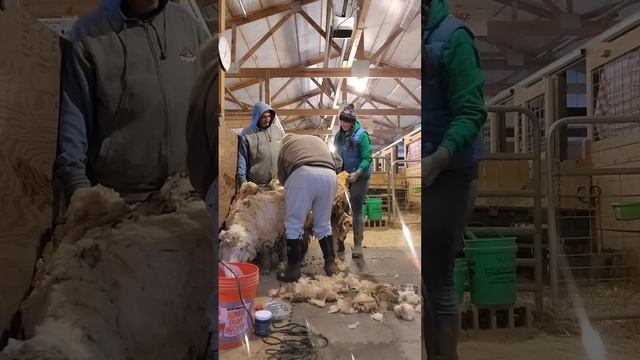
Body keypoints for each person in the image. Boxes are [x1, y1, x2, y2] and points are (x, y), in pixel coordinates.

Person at [54, 0, 208, 205]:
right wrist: (76, 182)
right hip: (120, 202)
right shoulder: (88, 34)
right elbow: (75, 112)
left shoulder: (188, 26)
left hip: (186, 194)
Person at [421, 1, 487, 359]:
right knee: (424, 280)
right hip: (426, 170)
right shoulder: (418, 37)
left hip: (451, 171)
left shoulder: (454, 39)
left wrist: (440, 157)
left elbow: (471, 110)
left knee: (438, 279)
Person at [276, 133, 340, 282]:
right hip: (330, 175)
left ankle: (293, 269)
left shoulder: (285, 146)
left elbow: (282, 177)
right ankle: (331, 265)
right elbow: (337, 161)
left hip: (303, 174)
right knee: (323, 224)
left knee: (294, 223)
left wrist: (293, 194)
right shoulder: (316, 140)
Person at [334, 104, 373, 259]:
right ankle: (340, 240)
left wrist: (357, 172)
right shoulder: (339, 136)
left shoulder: (362, 135)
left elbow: (367, 158)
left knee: (355, 208)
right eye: (341, 121)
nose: (343, 124)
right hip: (344, 176)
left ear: (352, 122)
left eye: (346, 122)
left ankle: (357, 244)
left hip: (360, 176)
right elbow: (337, 155)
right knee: (339, 209)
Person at [236, 102, 285, 186]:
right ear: (256, 117)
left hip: (277, 183)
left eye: (269, 116)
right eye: (264, 117)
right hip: (257, 185)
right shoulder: (247, 134)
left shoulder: (277, 130)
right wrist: (242, 179)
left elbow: (285, 152)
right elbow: (242, 157)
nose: (267, 120)